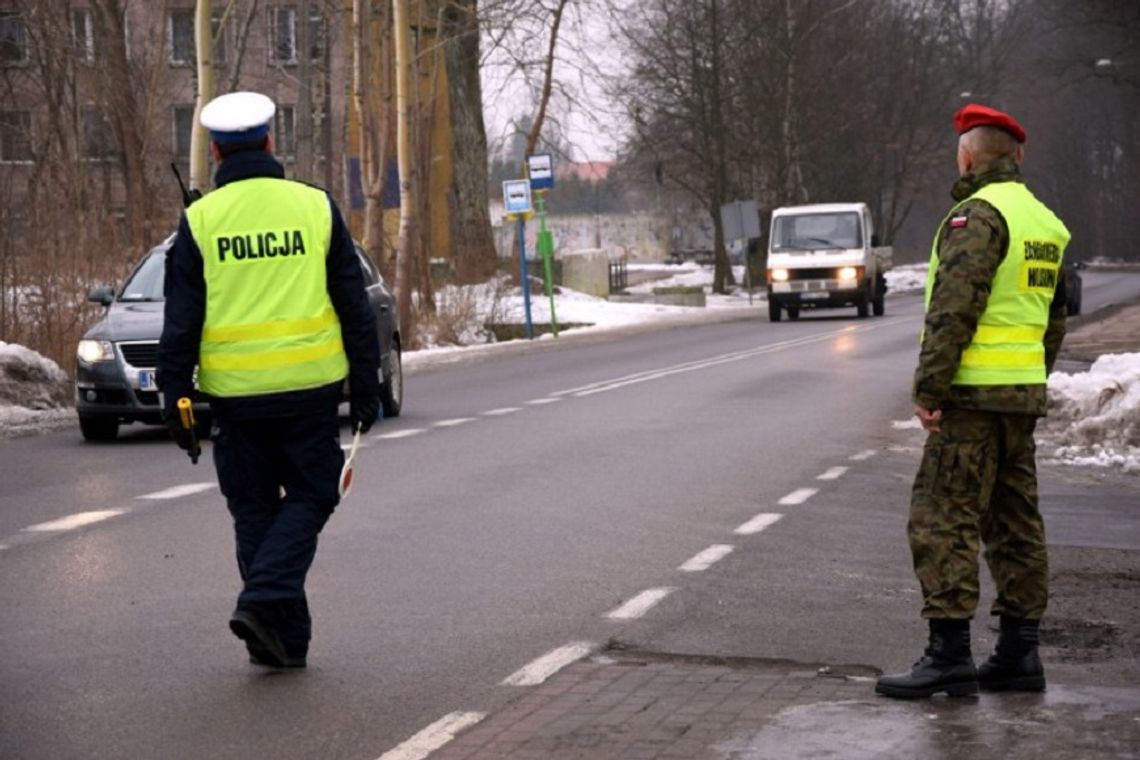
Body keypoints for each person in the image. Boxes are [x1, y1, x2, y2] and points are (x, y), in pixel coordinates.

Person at [157, 91, 381, 669]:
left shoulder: (200, 220)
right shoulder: (314, 206)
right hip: (310, 391)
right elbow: (353, 305)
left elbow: (181, 321)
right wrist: (367, 382)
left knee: (254, 510)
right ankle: (264, 603)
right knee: (313, 494)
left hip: (235, 399)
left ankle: (279, 642)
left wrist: (175, 395)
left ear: (213, 150)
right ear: (270, 142)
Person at [875, 103, 1070, 699]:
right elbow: (1055, 319)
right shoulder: (1044, 222)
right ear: (1018, 157)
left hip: (970, 399)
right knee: (1015, 523)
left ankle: (949, 654)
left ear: (966, 155)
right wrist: (1029, 381)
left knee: (942, 517)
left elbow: (954, 309)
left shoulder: (976, 216)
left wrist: (931, 389)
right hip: (1018, 399)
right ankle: (1019, 653)